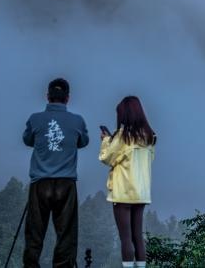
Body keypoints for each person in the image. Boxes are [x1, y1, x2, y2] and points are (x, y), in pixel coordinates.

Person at [22, 78, 90, 268]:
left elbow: (28, 140)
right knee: (66, 234)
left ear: (47, 96)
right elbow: (83, 142)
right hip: (66, 183)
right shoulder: (77, 120)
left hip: (40, 182)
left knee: (35, 232)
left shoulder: (35, 119)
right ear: (67, 98)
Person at [99, 96, 156, 268]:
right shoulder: (150, 137)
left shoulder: (123, 136)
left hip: (123, 192)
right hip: (142, 192)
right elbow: (149, 160)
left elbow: (106, 158)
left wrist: (105, 141)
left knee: (125, 237)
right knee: (137, 236)